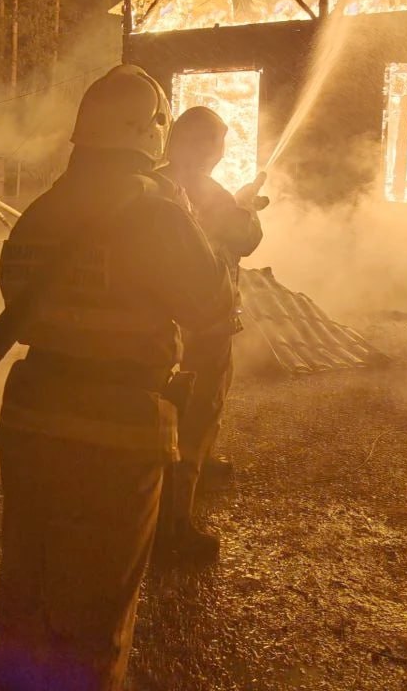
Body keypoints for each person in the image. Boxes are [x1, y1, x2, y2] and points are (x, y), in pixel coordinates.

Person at [0, 66, 233, 691]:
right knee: (96, 609)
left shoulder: (41, 211)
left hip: (29, 417)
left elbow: (15, 303)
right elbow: (213, 310)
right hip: (116, 431)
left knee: (29, 590)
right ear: (147, 130)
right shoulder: (156, 211)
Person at [157, 106, 268, 561]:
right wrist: (243, 205)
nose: (221, 153)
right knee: (202, 407)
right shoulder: (211, 192)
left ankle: (194, 470)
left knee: (173, 403)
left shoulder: (156, 181)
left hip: (167, 317)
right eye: (218, 143)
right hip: (206, 319)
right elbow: (246, 239)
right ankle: (175, 524)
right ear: (203, 146)